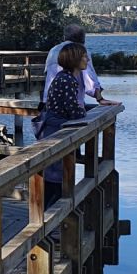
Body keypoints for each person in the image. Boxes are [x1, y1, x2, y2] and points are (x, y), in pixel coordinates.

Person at [36, 42, 92, 206]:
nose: (87, 59)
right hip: (56, 131)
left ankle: (51, 217)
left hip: (56, 128)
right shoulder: (67, 80)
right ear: (75, 60)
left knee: (56, 174)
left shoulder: (65, 78)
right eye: (83, 56)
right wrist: (83, 112)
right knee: (55, 175)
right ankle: (49, 219)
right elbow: (73, 110)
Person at [43, 25, 110, 106]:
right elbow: (90, 81)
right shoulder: (80, 52)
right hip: (71, 106)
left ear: (64, 37)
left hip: (49, 103)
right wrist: (100, 99)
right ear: (83, 39)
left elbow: (47, 75)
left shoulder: (53, 50)